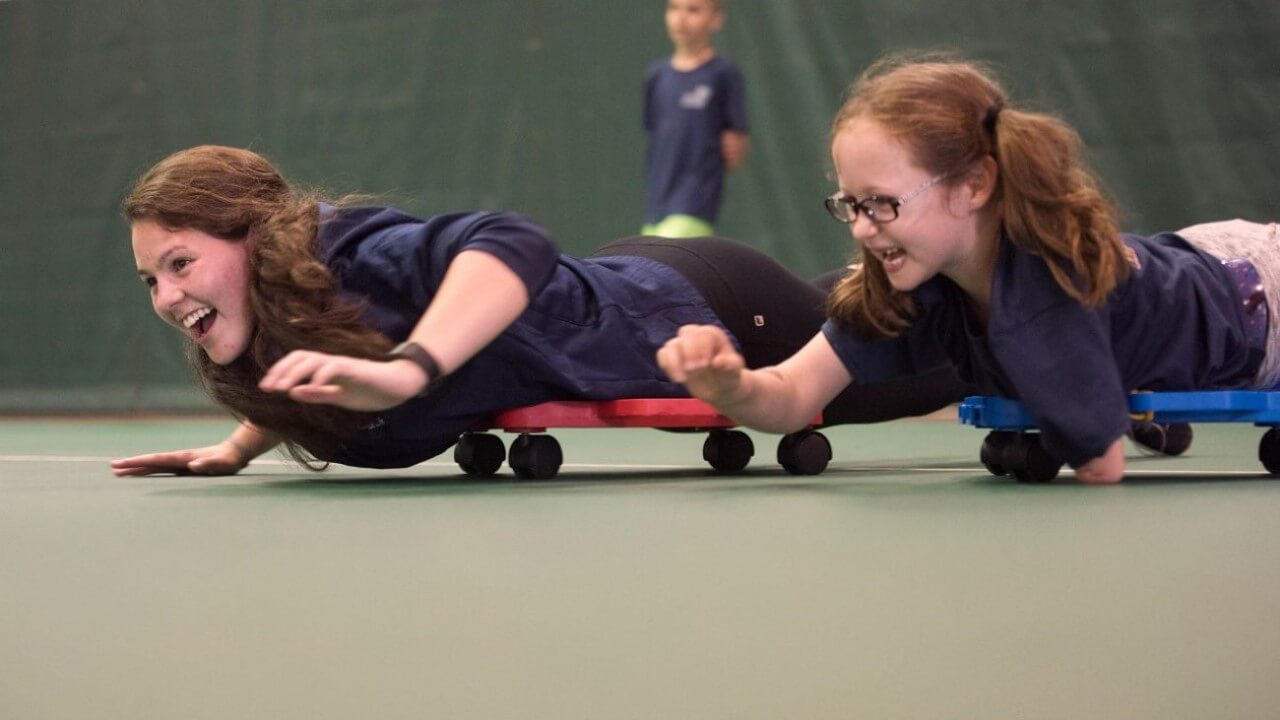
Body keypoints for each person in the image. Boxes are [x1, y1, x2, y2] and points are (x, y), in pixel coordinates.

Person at [110, 145, 965, 476]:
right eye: (151, 280)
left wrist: (409, 369)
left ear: (253, 237)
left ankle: (1021, 278)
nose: (169, 297)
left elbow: (511, 241)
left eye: (181, 264)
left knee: (938, 357)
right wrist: (237, 447)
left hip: (708, 311)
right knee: (880, 309)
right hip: (631, 294)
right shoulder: (280, 321)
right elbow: (328, 358)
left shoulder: (356, 254)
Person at [657, 55, 1277, 484]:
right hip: (1198, 255)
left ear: (975, 185)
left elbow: (1101, 466)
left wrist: (1079, 418)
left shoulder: (1043, 300)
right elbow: (793, 397)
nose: (863, 227)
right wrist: (731, 387)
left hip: (1261, 298)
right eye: (851, 204)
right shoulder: (914, 284)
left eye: (882, 203)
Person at [642, 0, 748, 238]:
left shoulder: (724, 74)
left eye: (693, 10)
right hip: (655, 210)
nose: (681, 19)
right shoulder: (656, 77)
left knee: (667, 256)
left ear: (716, 19)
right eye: (674, 8)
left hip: (695, 206)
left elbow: (737, 145)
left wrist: (733, 149)